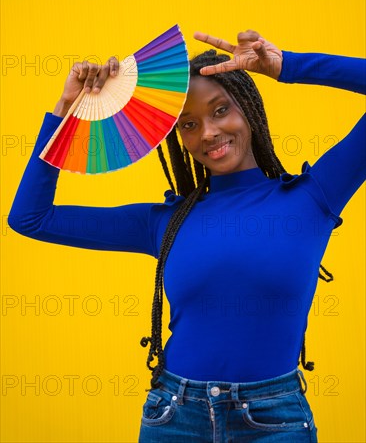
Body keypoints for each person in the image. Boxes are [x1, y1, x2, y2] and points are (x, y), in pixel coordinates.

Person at [8, 29, 366, 442]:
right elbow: (30, 218)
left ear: (248, 108)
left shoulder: (313, 197)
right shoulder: (165, 221)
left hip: (274, 423)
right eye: (189, 124)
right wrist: (69, 109)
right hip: (174, 418)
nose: (208, 133)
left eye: (220, 110)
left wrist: (285, 65)